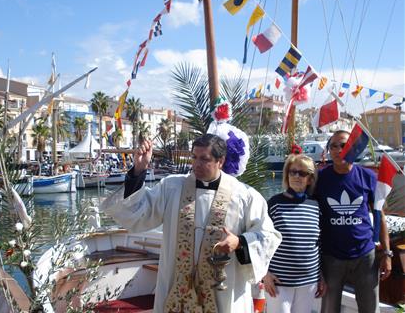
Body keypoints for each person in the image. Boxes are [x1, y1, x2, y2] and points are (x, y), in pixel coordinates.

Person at [100, 134, 281, 313]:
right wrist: (138, 170)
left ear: (221, 161)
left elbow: (267, 236)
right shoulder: (171, 187)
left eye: (205, 159)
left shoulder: (245, 196)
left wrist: (240, 242)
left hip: (222, 290)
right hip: (177, 287)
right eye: (194, 157)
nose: (196, 164)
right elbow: (139, 211)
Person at [315, 130, 392, 313]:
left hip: (365, 256)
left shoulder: (368, 177)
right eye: (334, 146)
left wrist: (387, 254)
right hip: (331, 257)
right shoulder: (319, 179)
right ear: (329, 150)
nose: (339, 150)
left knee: (370, 309)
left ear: (353, 148)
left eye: (343, 145)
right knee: (329, 309)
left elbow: (380, 215)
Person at [263, 154, 326, 312]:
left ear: (310, 179)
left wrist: (321, 276)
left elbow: (319, 244)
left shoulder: (316, 206)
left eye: (302, 173)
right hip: (279, 281)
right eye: (293, 172)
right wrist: (265, 273)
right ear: (287, 174)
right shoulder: (274, 204)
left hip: (309, 281)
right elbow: (261, 241)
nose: (296, 176)